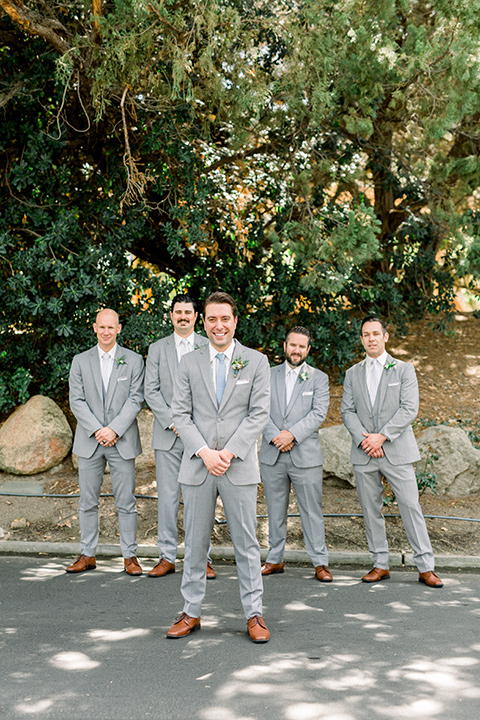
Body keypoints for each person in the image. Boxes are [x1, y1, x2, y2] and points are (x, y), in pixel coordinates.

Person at [166, 291, 271, 642]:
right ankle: (191, 612)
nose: (218, 325)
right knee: (195, 544)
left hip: (238, 466)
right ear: (203, 322)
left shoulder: (255, 362)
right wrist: (205, 452)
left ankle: (254, 614)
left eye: (224, 318)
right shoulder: (189, 363)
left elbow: (259, 414)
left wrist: (228, 452)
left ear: (235, 321)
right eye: (211, 319)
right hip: (199, 466)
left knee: (247, 544)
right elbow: (179, 413)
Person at [340, 315, 443, 588]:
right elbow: (347, 411)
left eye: (376, 333)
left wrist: (382, 437)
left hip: (396, 451)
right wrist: (365, 440)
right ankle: (380, 564)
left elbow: (409, 408)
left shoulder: (404, 370)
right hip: (364, 452)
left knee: (411, 506)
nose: (371, 338)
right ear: (361, 339)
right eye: (366, 334)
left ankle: (425, 566)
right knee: (370, 509)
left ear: (385, 337)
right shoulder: (352, 374)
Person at [66, 308, 145, 575]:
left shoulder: (133, 361)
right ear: (94, 328)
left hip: (121, 440)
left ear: (119, 329)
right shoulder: (80, 361)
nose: (106, 332)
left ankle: (130, 556)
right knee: (87, 501)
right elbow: (76, 400)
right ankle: (87, 554)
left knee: (126, 501)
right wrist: (98, 429)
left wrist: (113, 429)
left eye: (111, 327)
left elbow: (136, 398)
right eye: (102, 327)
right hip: (90, 440)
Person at [144, 293, 215, 579]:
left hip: (200, 438)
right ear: (171, 315)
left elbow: (212, 392)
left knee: (200, 499)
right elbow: (151, 390)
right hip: (168, 435)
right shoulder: (158, 348)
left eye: (188, 312)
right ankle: (167, 556)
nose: (183, 316)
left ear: (196, 316)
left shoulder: (208, 346)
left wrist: (192, 426)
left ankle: (202, 558)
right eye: (178, 312)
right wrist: (174, 421)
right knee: (168, 498)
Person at [259, 326, 332, 581]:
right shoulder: (267, 375)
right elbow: (258, 409)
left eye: (302, 346)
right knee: (274, 509)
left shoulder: (319, 378)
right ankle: (274, 559)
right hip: (272, 453)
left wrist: (291, 435)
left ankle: (320, 563)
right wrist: (276, 436)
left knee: (312, 511)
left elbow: (318, 413)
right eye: (293, 345)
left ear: (308, 349)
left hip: (306, 456)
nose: (297, 350)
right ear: (284, 346)